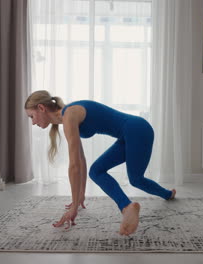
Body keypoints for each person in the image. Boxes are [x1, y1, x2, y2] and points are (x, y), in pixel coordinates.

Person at [24, 90, 176, 236]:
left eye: (31, 116)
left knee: (136, 179)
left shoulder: (69, 114)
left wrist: (74, 207)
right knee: (96, 171)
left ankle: (129, 207)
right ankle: (166, 195)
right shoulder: (67, 118)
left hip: (138, 129)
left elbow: (74, 166)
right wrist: (80, 196)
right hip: (127, 134)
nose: (32, 122)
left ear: (41, 108)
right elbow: (81, 161)